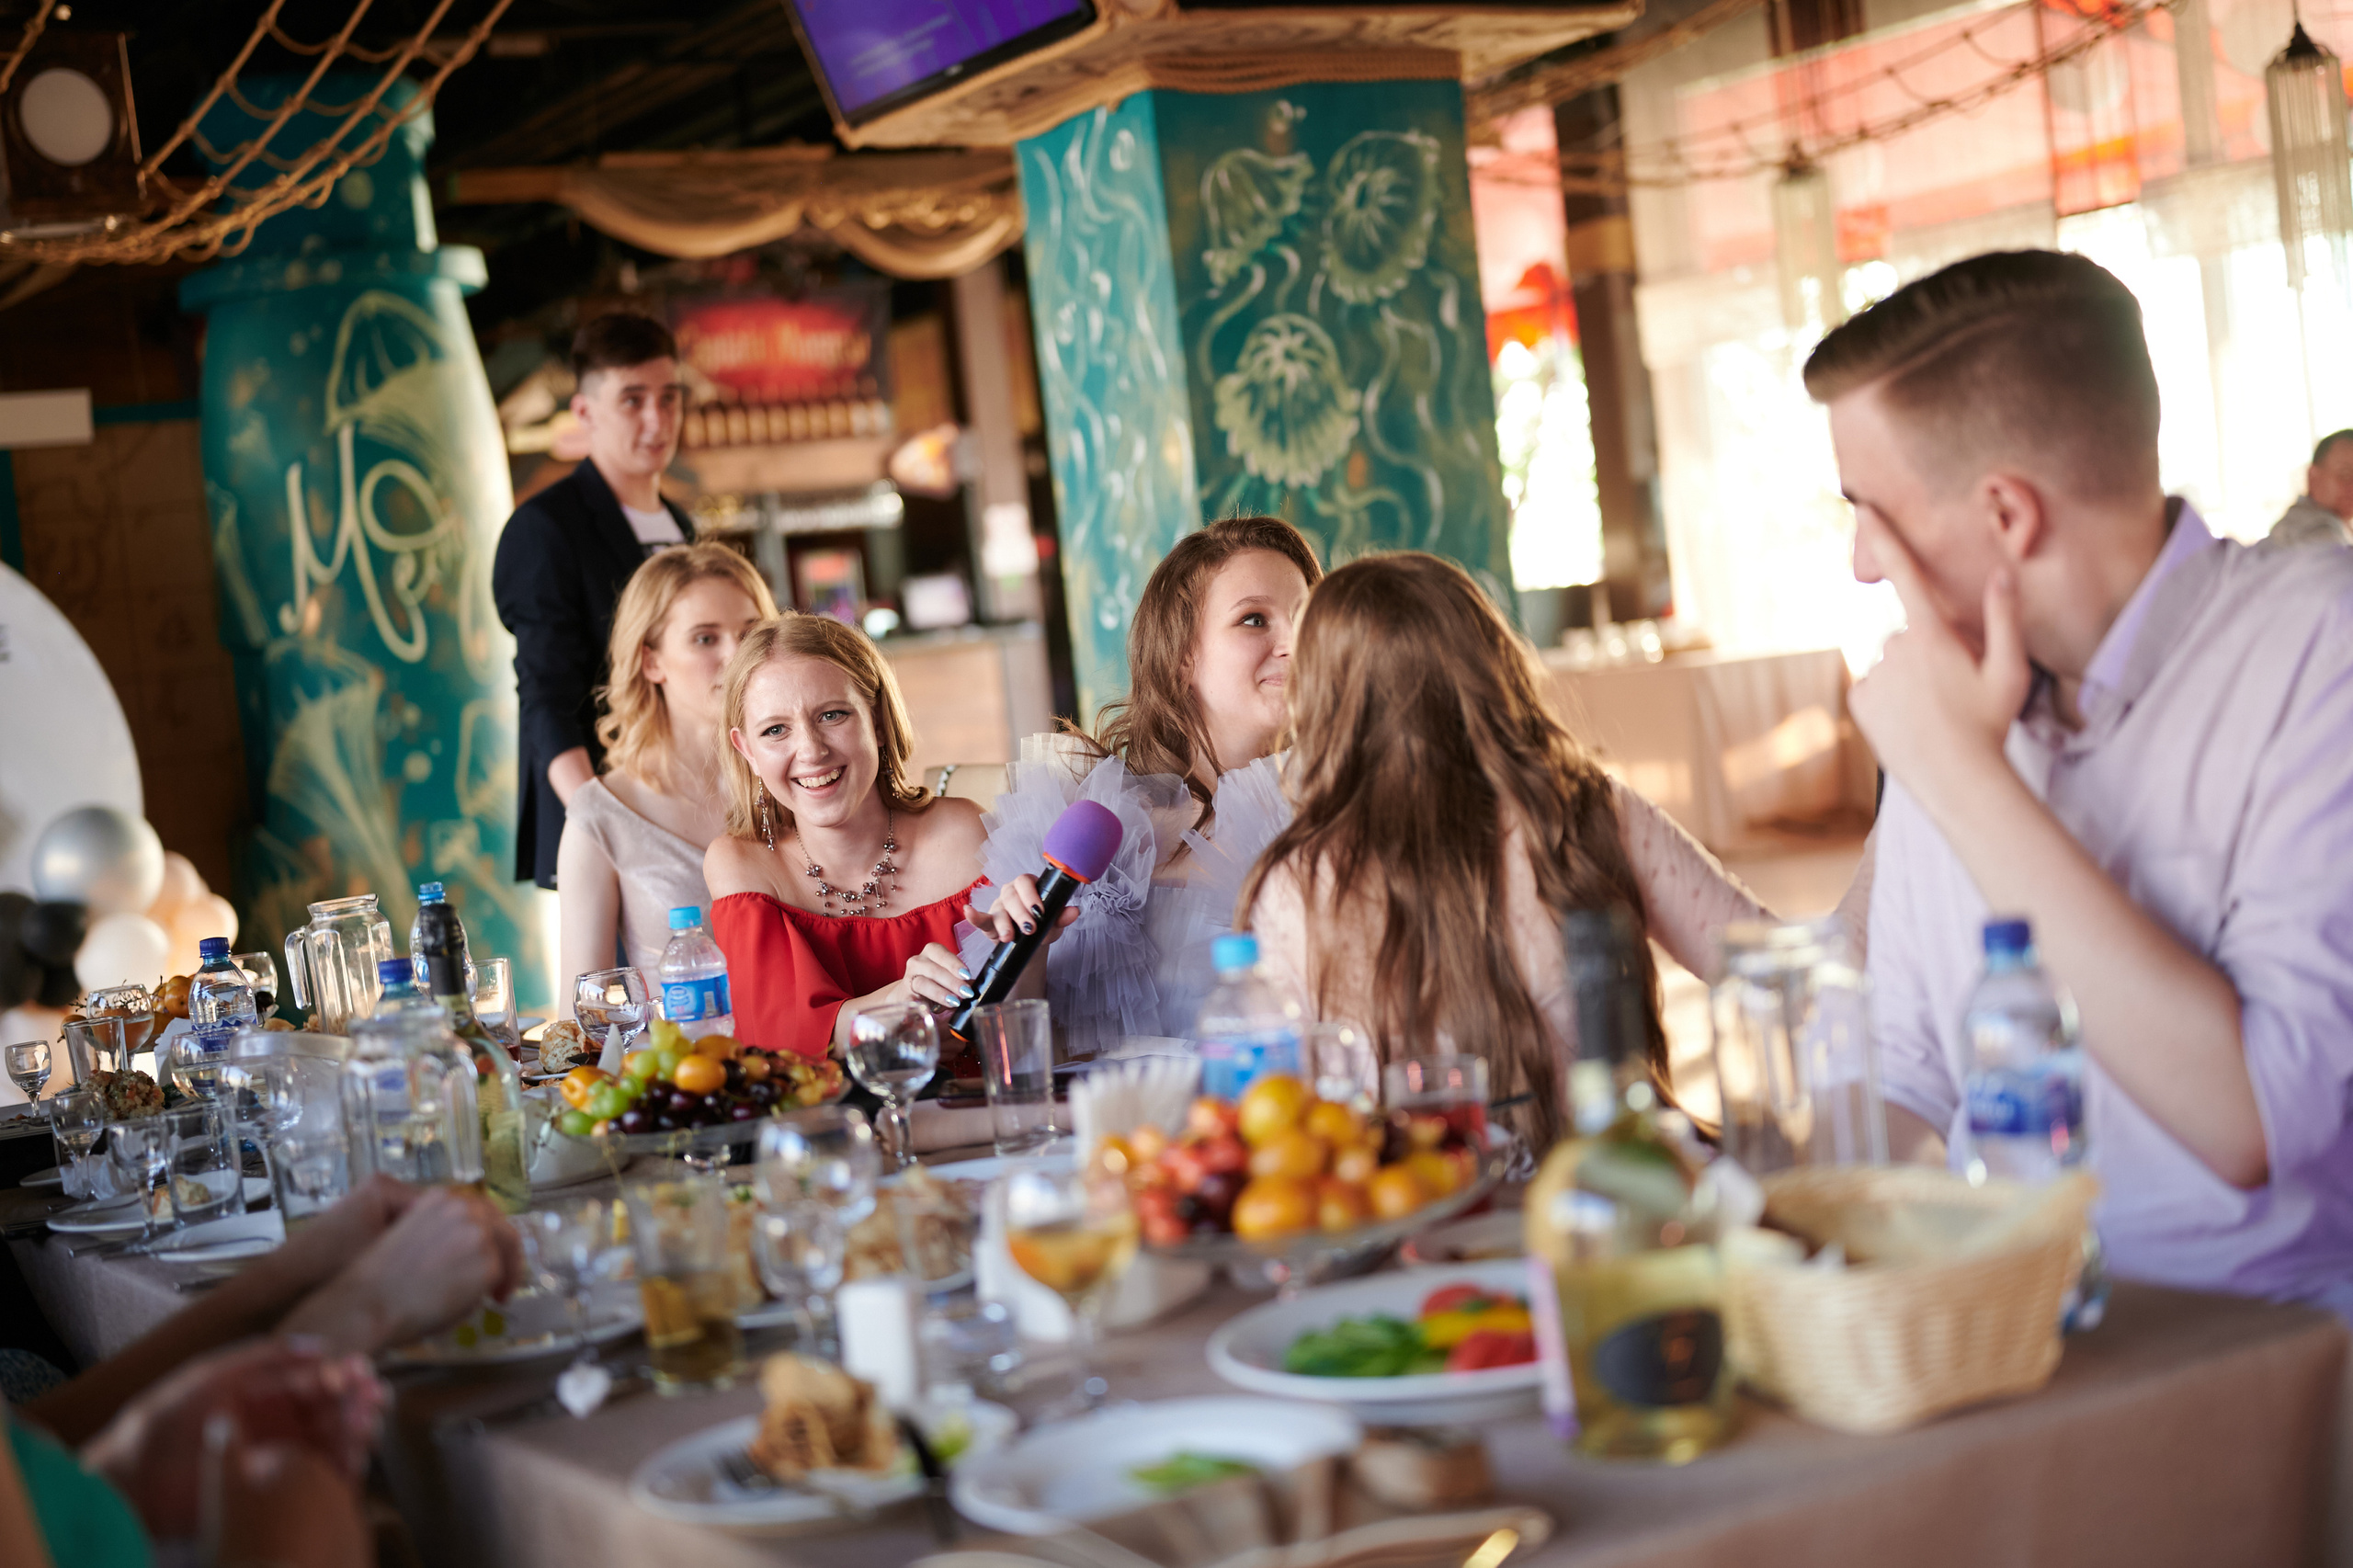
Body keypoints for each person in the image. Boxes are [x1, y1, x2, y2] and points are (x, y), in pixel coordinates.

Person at [1804, 249, 2353, 1319]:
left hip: (2272, 1359)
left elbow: (2256, 1123)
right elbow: (1910, 1071)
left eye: (1870, 510)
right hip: (1999, 1331)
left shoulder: (2320, 642)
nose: (1864, 562)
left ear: (2008, 515)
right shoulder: (1952, 683)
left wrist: (1962, 773)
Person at [1236, 552, 1767, 1152]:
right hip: (1613, 1198)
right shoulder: (1589, 814)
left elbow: (1278, 1121)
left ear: (1323, 700)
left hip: (1415, 1218)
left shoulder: (1293, 880)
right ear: (1490, 664)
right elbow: (1771, 961)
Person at [961, 516, 1322, 1051]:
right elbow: (1017, 1055)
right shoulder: (1082, 816)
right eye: (1253, 620)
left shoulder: (1336, 809)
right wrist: (1029, 949)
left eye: (1307, 617)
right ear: (1181, 659)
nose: (1294, 643)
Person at [704, 617, 1060, 1077]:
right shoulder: (741, 865)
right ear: (746, 749)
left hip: (973, 1119)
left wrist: (1033, 946)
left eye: (832, 715)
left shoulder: (964, 830)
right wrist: (897, 1001)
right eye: (775, 730)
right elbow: (776, 1047)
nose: (811, 750)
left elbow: (1019, 1035)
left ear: (876, 717)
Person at [494, 313, 696, 890]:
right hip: (611, 810)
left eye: (668, 398)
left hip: (690, 799)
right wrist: (602, 821)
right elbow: (545, 695)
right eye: (633, 400)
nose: (657, 419)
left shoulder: (682, 523)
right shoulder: (546, 527)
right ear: (584, 412)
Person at [557, 543, 779, 993]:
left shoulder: (799, 778)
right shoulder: (601, 815)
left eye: (751, 631)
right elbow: (580, 1021)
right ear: (651, 661)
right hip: (681, 1060)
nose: (737, 656)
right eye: (705, 638)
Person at [2267, 427, 2353, 549]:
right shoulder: (2316, 535)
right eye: (2345, 474)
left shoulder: (2338, 526)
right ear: (2313, 476)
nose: (2351, 486)